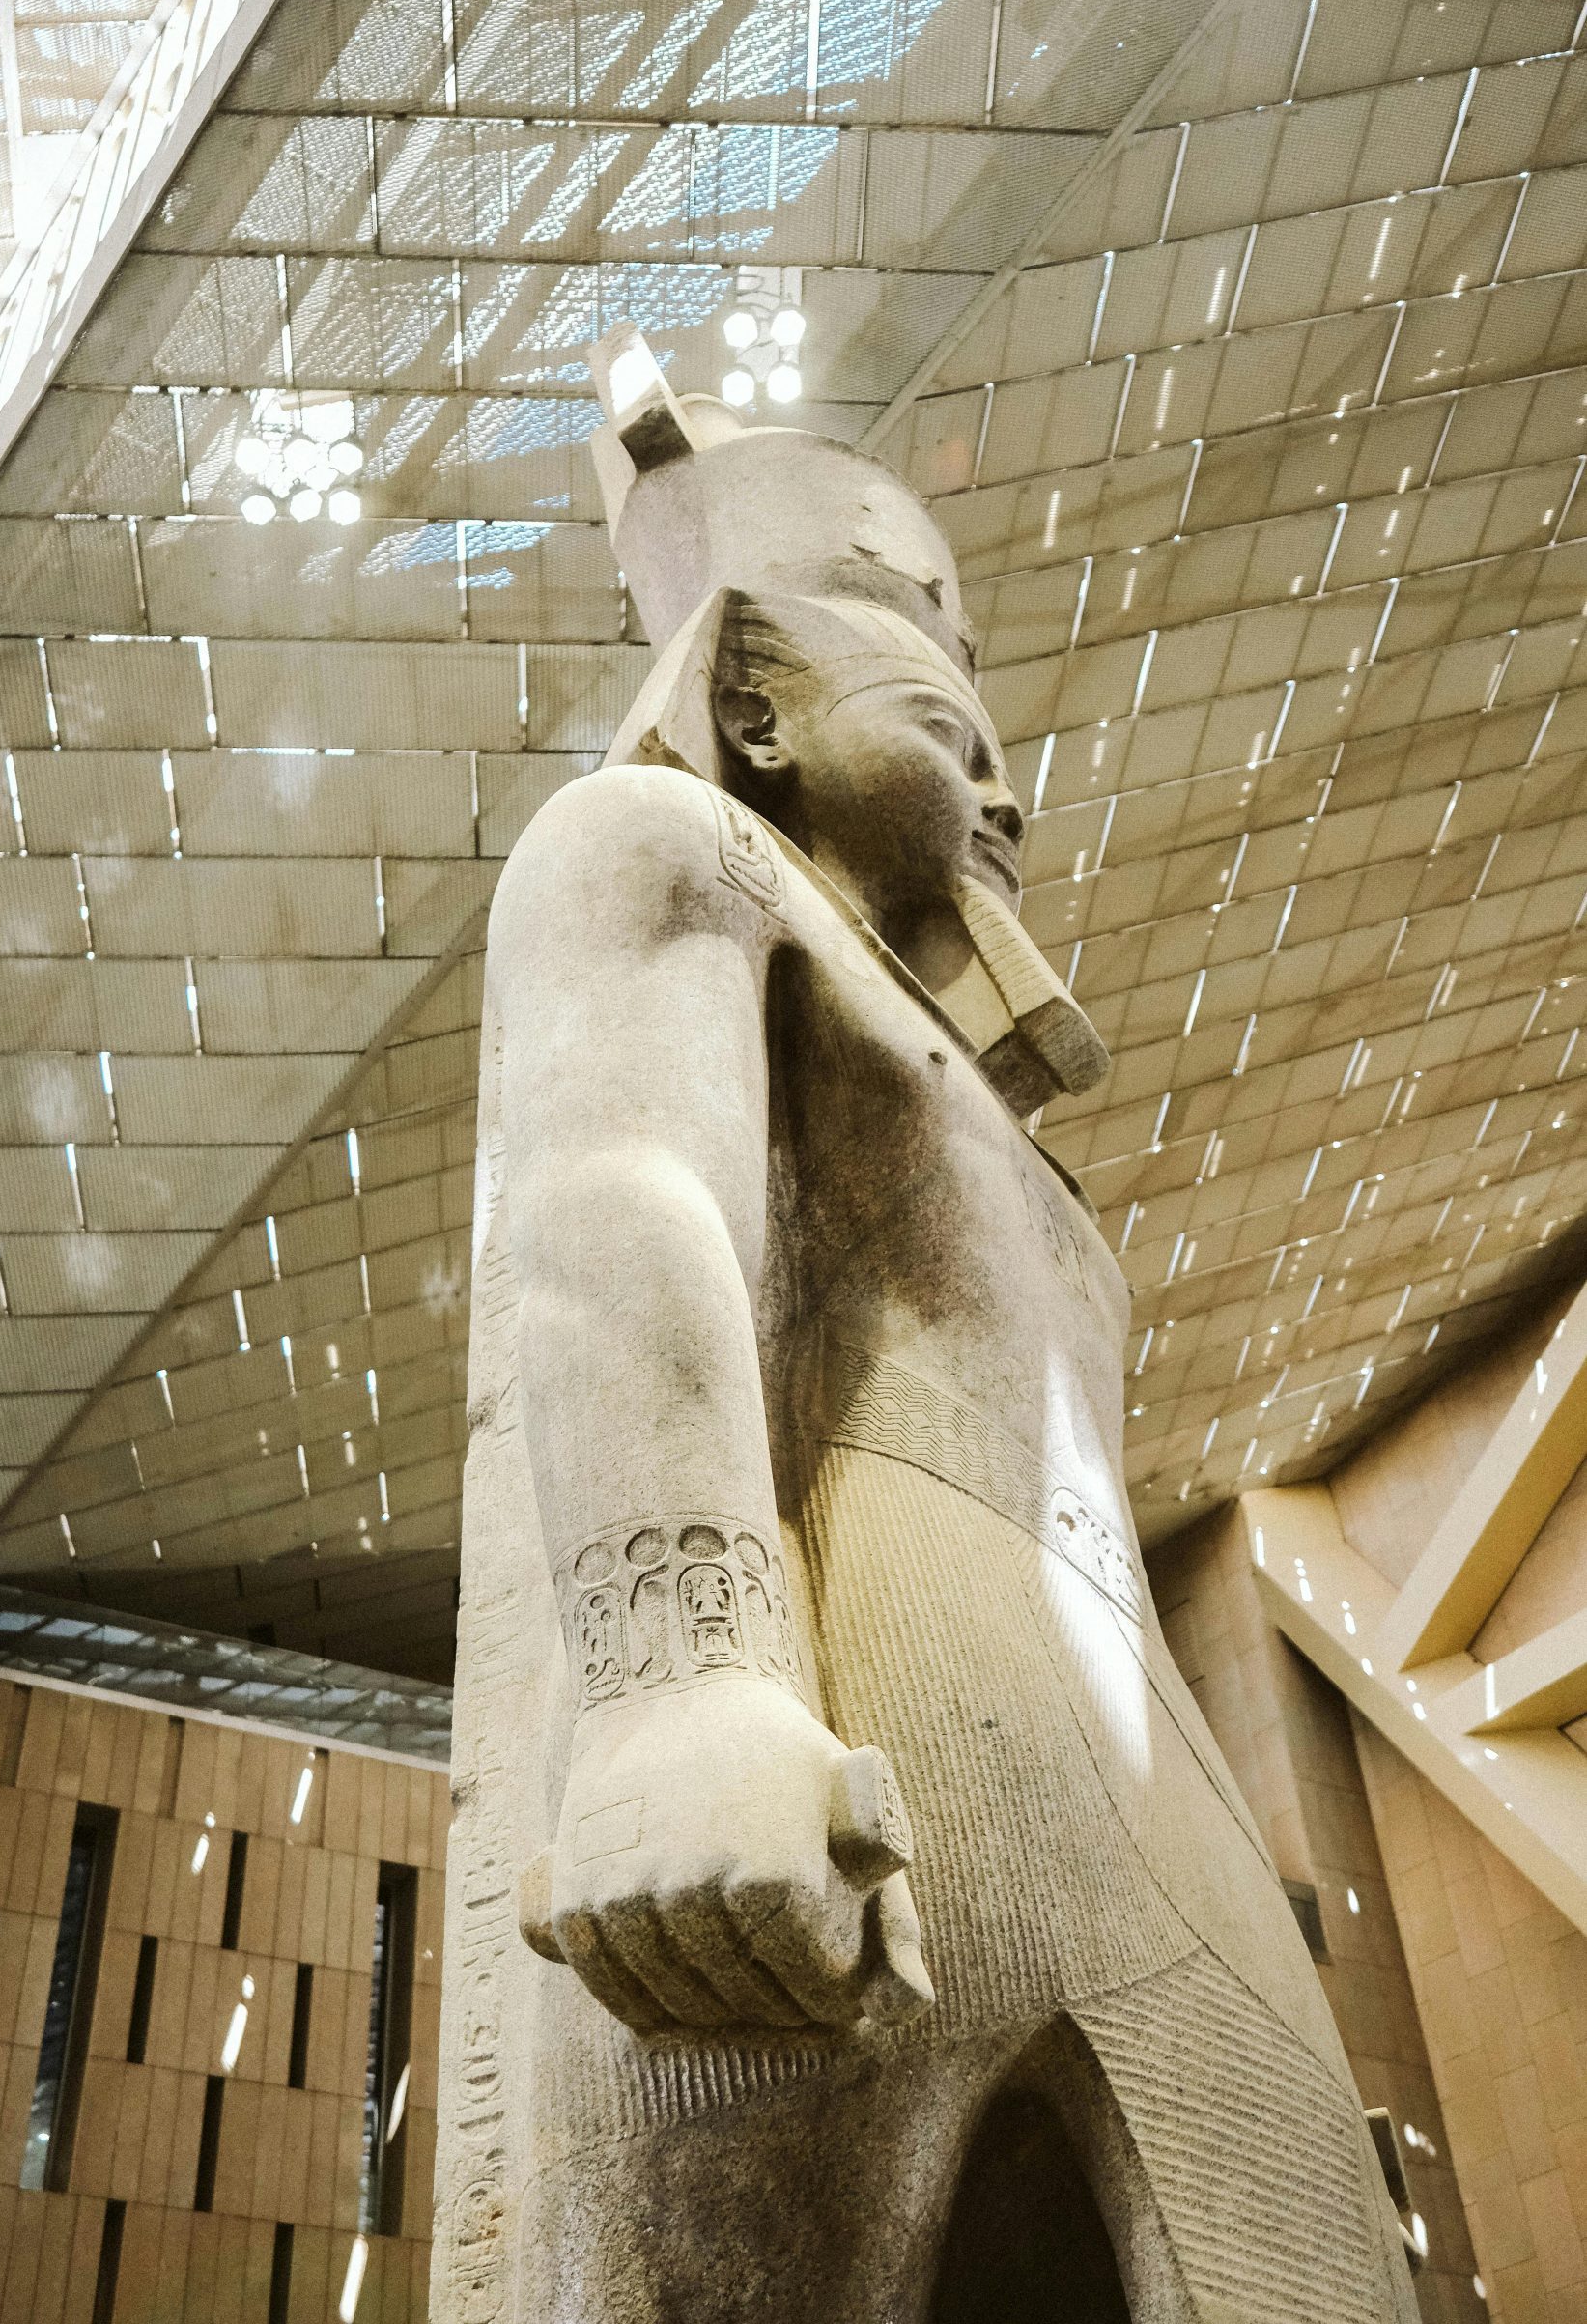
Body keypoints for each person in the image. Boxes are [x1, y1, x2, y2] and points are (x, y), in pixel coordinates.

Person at [445, 351, 1420, 2323]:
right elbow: (623, 1202)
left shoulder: (988, 1107)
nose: (1005, 791)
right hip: (840, 1754)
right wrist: (681, 1678)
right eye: (942, 723)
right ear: (752, 707)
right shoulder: (657, 850)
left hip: (1153, 1793)